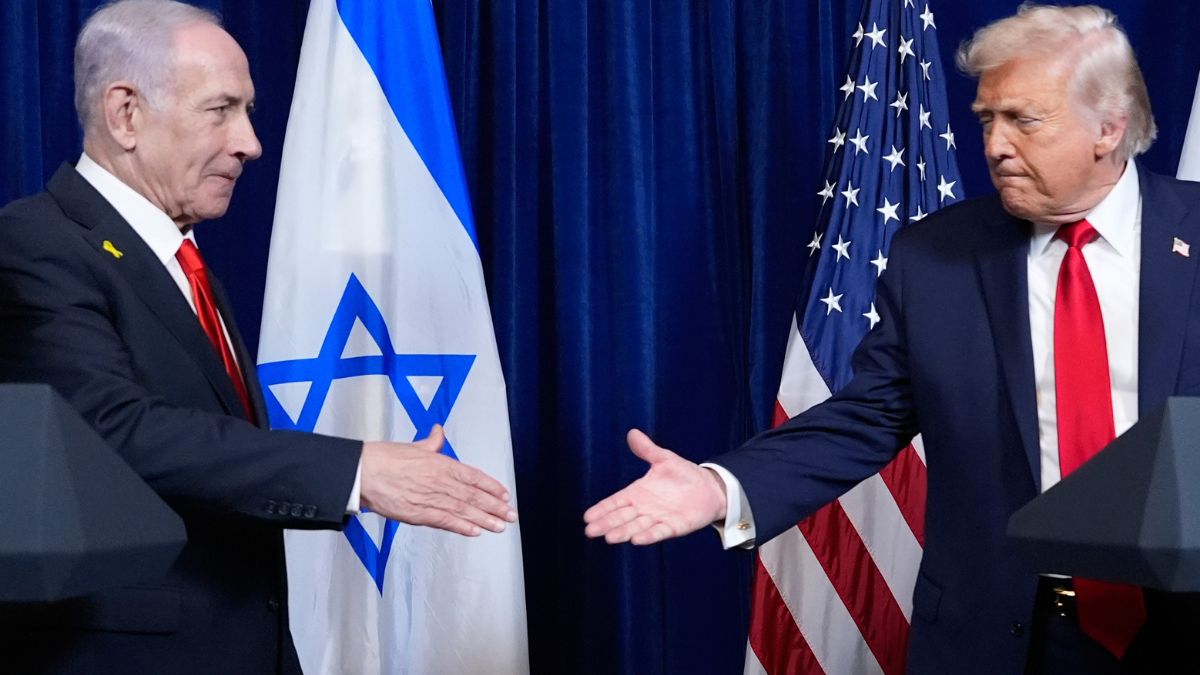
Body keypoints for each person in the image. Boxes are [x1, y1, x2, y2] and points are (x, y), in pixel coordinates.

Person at [585, 4, 1200, 674]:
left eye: (1023, 119)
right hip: (996, 638)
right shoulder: (934, 257)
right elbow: (865, 417)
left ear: (1108, 128)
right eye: (987, 119)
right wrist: (723, 488)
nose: (994, 145)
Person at [0, 1, 515, 673]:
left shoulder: (182, 260)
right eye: (220, 110)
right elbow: (111, 430)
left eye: (246, 111)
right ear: (126, 113)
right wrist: (358, 471)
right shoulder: (34, 243)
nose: (250, 142)